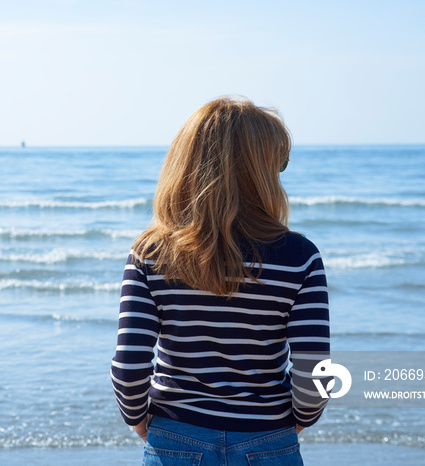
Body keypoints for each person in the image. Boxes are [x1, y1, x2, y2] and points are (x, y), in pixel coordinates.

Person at [110, 96, 330, 465]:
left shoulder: (150, 253)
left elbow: (130, 366)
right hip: (268, 437)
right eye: (279, 163)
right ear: (261, 172)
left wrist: (138, 420)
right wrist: (297, 423)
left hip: (176, 436)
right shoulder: (299, 256)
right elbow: (315, 373)